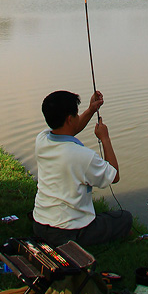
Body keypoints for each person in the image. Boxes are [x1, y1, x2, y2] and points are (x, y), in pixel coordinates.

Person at [32, 89, 133, 246]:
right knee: (124, 218)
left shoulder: (42, 139)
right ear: (69, 119)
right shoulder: (82, 156)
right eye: (76, 114)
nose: (78, 117)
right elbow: (114, 176)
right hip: (69, 233)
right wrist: (105, 138)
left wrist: (91, 109)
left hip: (40, 224)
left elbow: (70, 129)